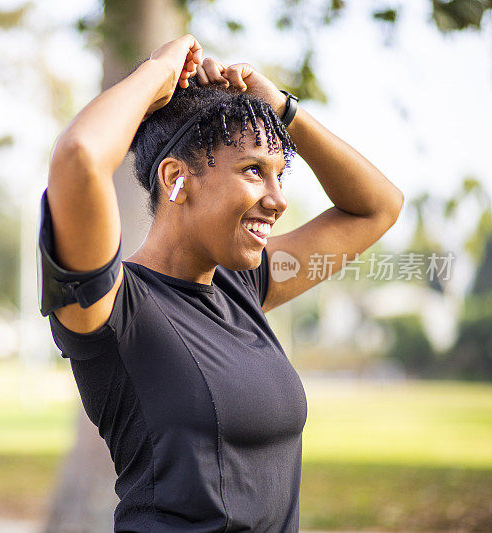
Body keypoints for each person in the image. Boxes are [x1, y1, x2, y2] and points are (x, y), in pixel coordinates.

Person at [38, 34, 403, 532]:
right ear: (175, 179)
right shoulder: (114, 309)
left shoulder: (245, 286)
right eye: (254, 170)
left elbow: (379, 206)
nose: (277, 200)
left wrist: (279, 108)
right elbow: (79, 155)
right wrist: (158, 72)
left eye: (280, 173)